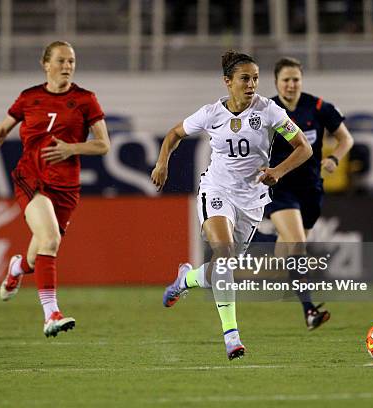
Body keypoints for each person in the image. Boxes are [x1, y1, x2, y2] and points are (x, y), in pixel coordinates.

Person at [151, 50, 312, 360]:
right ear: (228, 82)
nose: (251, 85)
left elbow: (302, 147)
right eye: (244, 79)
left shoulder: (270, 111)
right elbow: (174, 134)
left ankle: (186, 279)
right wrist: (162, 164)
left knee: (222, 269)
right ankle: (231, 336)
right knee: (223, 254)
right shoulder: (211, 113)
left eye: (255, 79)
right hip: (217, 190)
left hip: (251, 201)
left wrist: (277, 171)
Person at [0, 40, 110, 338]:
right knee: (49, 239)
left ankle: (17, 268)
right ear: (46, 64)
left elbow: (103, 144)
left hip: (66, 187)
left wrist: (72, 148)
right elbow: (1, 130)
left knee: (39, 254)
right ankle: (51, 315)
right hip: (31, 177)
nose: (67, 67)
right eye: (60, 61)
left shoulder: (85, 99)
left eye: (71, 61)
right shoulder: (29, 97)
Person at [264, 57, 354, 330]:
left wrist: (335, 159)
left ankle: (283, 275)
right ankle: (309, 309)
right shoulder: (266, 110)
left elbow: (346, 139)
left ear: (301, 81)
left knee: (287, 255)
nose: (291, 85)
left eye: (296, 80)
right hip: (279, 188)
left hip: (311, 190)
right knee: (299, 245)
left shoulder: (317, 107)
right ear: (276, 83)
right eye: (286, 80)